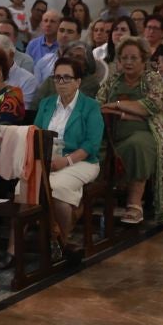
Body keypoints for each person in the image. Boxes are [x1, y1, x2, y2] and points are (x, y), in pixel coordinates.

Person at [97, 38, 163, 226]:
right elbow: (99, 105)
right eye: (124, 58)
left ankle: (134, 204)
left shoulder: (152, 79)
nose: (128, 62)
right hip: (111, 134)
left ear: (143, 59)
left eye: (133, 58)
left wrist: (118, 106)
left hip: (147, 133)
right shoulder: (113, 80)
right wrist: (130, 113)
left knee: (137, 145)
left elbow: (151, 105)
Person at [31, 58, 104, 246]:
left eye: (66, 78)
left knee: (57, 189)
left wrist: (66, 161)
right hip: (48, 158)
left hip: (81, 161)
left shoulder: (90, 106)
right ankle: (16, 248)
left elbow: (91, 145)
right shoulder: (47, 103)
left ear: (78, 82)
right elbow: (36, 132)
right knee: (25, 188)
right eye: (57, 78)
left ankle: (61, 240)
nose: (61, 83)